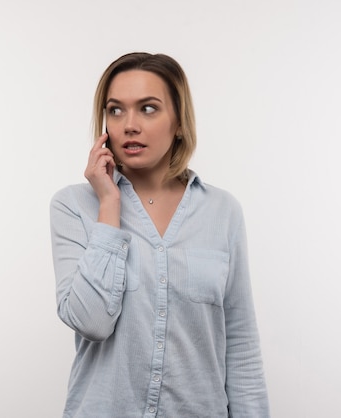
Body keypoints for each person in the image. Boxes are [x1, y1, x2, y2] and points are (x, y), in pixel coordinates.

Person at [50, 52, 269, 418]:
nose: (129, 125)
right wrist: (108, 205)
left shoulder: (222, 211)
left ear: (179, 122)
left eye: (148, 109)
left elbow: (241, 344)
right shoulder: (73, 206)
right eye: (116, 110)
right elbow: (91, 322)